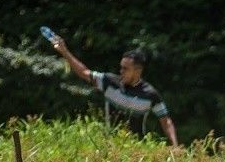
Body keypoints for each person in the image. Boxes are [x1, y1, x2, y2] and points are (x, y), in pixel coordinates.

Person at [46, 33, 178, 145]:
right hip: (109, 145)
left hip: (136, 147)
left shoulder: (150, 94)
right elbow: (84, 72)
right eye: (121, 67)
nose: (121, 71)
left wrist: (175, 145)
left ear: (138, 70)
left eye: (125, 69)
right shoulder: (109, 82)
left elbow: (165, 120)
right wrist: (64, 51)